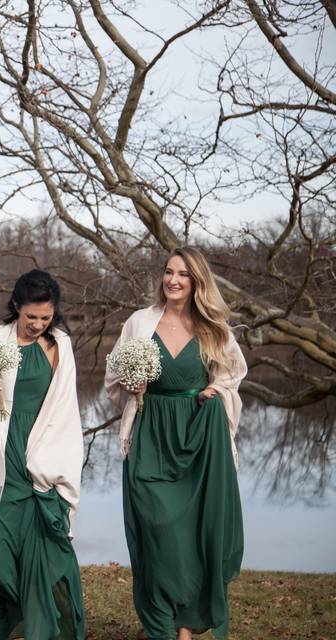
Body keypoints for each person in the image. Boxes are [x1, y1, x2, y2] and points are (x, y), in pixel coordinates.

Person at [106, 247, 246, 640]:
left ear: (196, 281)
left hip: (197, 438)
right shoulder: (139, 323)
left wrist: (214, 389)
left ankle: (183, 628)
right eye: (168, 272)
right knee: (157, 529)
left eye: (182, 275)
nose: (173, 280)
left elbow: (234, 373)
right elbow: (112, 377)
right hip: (151, 434)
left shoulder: (213, 328)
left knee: (190, 537)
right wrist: (130, 387)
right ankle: (162, 621)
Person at [0, 269, 85, 640]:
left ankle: (41, 632)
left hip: (39, 468)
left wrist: (58, 470)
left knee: (42, 568)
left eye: (45, 317)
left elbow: (65, 411)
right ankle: (12, 624)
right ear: (16, 306)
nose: (37, 324)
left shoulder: (59, 344)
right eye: (31, 316)